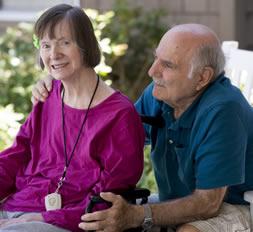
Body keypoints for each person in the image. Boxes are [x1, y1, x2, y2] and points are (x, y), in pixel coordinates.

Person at [31, 23, 253, 232]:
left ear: (202, 77)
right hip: (179, 200)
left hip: (235, 204)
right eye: (156, 58)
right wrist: (61, 85)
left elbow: (208, 203)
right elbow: (114, 135)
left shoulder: (224, 110)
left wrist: (137, 215)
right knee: (102, 217)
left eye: (167, 65)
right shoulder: (161, 94)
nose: (152, 71)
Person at [0, 4, 145, 232]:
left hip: (65, 222)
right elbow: (18, 154)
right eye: (46, 45)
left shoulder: (119, 115)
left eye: (64, 43)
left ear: (85, 46)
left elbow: (107, 200)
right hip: (18, 206)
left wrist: (41, 219)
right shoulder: (48, 97)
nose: (53, 54)